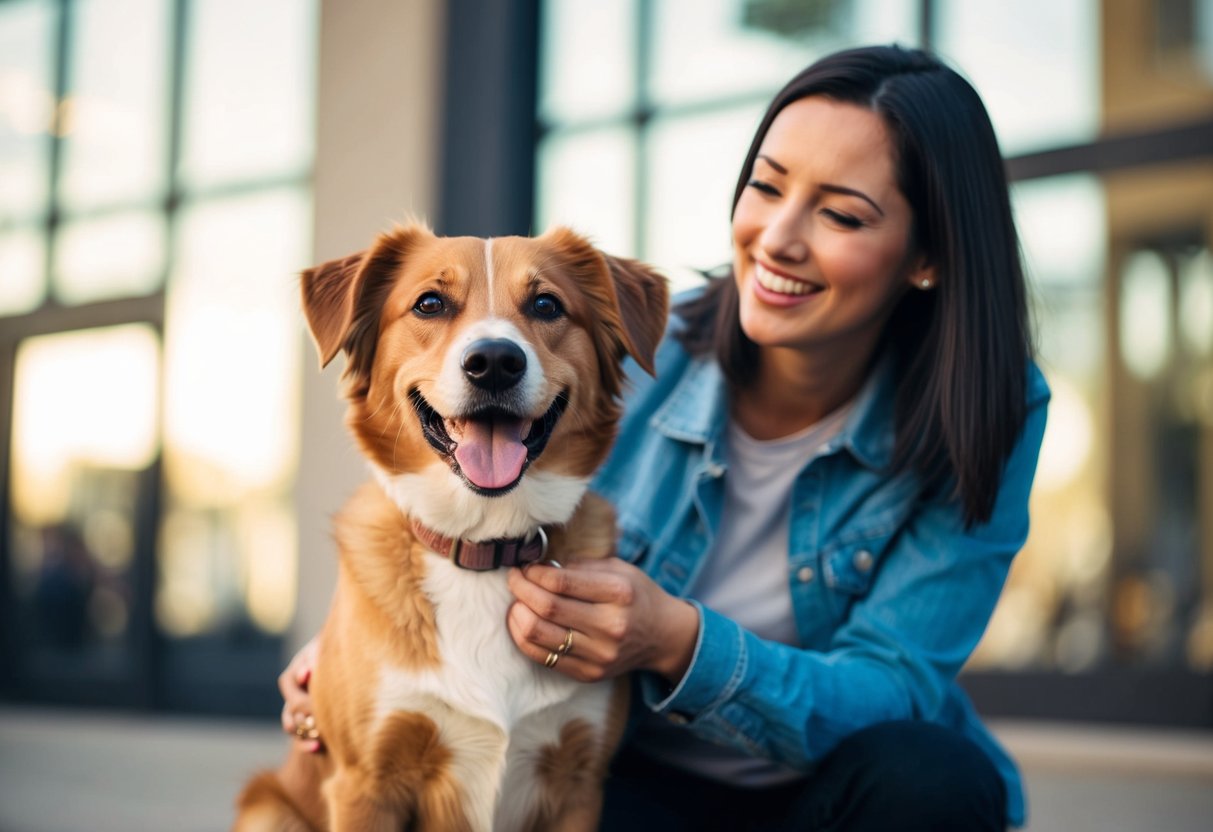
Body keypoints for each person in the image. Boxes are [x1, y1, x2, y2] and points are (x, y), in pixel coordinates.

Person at [280, 44, 1049, 831]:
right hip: (638, 778)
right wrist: (349, 660)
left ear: (925, 256)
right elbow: (466, 526)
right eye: (766, 185)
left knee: (933, 780)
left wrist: (678, 643)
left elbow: (894, 685)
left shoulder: (988, 405)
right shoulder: (639, 347)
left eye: (841, 214)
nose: (777, 238)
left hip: (825, 789)